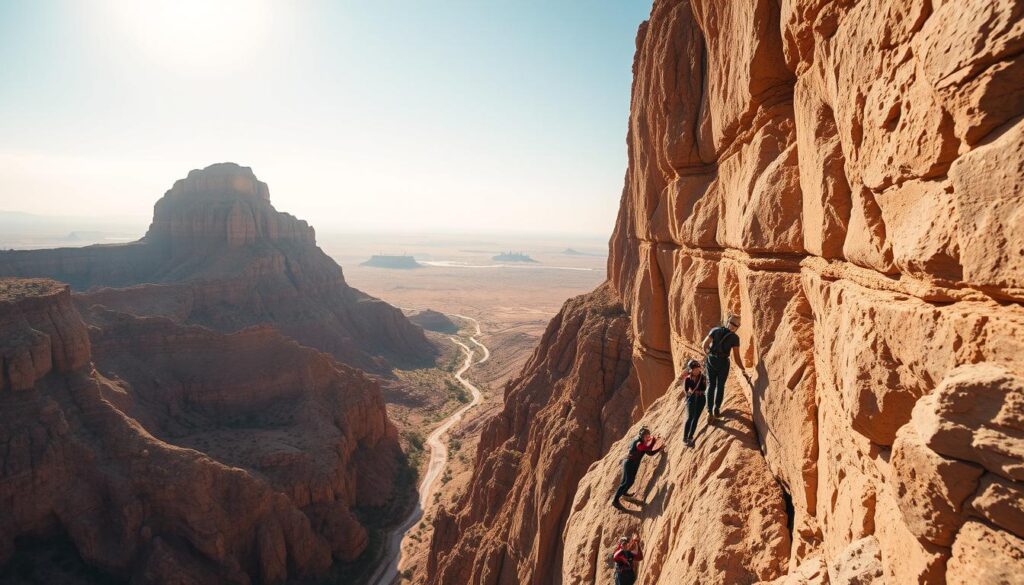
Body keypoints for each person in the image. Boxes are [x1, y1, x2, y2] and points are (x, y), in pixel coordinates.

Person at [701, 312, 749, 421]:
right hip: (723, 363)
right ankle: (716, 409)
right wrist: (743, 370)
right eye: (733, 323)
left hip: (712, 360)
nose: (733, 325)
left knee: (711, 385)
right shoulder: (735, 338)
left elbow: (704, 345)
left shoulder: (715, 330)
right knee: (720, 385)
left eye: (735, 324)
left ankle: (709, 411)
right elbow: (736, 358)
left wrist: (709, 354)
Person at [611, 426, 664, 510]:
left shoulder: (639, 440)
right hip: (629, 463)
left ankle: (624, 493)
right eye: (646, 437)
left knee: (630, 481)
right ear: (642, 436)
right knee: (625, 482)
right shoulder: (639, 444)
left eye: (648, 436)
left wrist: (653, 440)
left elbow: (647, 446)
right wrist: (658, 447)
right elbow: (649, 451)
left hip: (632, 462)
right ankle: (615, 500)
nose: (648, 438)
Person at [680, 358, 707, 446]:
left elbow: (704, 388)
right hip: (691, 399)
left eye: (698, 369)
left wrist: (699, 391)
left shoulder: (702, 377)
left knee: (696, 418)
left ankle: (690, 436)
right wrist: (691, 391)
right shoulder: (688, 378)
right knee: (690, 418)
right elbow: (686, 390)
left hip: (700, 399)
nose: (697, 371)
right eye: (695, 369)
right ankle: (685, 438)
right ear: (691, 370)